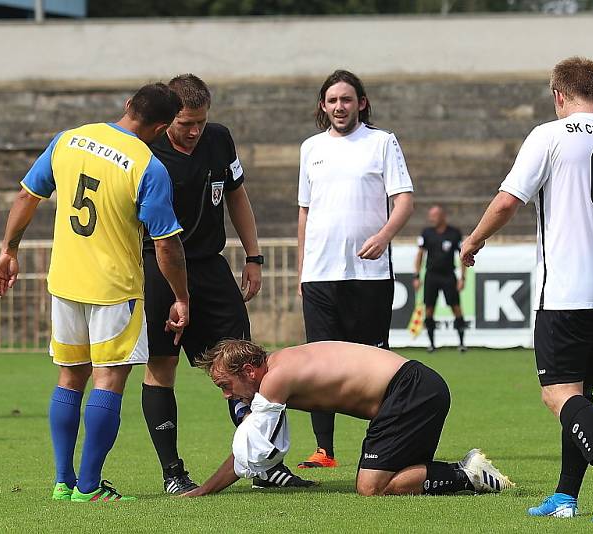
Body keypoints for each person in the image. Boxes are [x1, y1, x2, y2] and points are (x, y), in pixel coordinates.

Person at [460, 57, 593, 522]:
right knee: (579, 394)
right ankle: (565, 496)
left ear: (558, 94)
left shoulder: (550, 135)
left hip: (567, 286)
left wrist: (474, 239)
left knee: (557, 394)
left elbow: (508, 201)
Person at [0, 83, 189, 502]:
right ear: (160, 126)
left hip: (65, 282)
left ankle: (63, 481)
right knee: (109, 381)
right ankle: (89, 485)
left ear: (126, 106)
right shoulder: (147, 165)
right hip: (114, 289)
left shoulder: (69, 139)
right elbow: (166, 244)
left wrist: (8, 249)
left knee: (69, 377)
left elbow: (28, 194)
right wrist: (181, 295)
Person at [141, 74, 311, 493]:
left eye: (201, 122)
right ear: (167, 120)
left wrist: (253, 256)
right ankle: (173, 474)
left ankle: (266, 464)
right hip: (158, 266)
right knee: (161, 366)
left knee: (246, 363)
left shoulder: (220, 139)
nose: (195, 131)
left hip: (210, 267)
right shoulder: (146, 151)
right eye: (186, 123)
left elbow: (236, 194)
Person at [181, 339, 513, 497]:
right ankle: (464, 473)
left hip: (409, 391)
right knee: (395, 479)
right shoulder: (278, 368)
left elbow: (250, 451)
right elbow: (256, 448)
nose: (227, 395)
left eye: (226, 385)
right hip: (417, 388)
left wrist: (204, 490)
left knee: (372, 487)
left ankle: (466, 474)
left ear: (250, 370)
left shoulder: (275, 379)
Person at [296, 69, 414, 468]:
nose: (339, 107)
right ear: (322, 106)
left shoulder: (382, 142)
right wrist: (301, 270)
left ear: (361, 102)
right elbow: (305, 213)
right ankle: (324, 449)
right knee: (317, 363)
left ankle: (381, 447)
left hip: (370, 276)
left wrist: (383, 236)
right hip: (320, 275)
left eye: (346, 99)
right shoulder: (310, 147)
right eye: (332, 101)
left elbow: (403, 201)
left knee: (375, 363)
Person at [413, 205, 467, 353]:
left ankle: (462, 343)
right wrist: (417, 275)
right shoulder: (427, 233)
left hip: (449, 276)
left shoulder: (454, 233)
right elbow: (420, 254)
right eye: (430, 216)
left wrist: (462, 278)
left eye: (434, 215)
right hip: (431, 276)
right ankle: (431, 344)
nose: (431, 219)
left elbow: (462, 256)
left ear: (442, 216)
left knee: (456, 307)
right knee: (429, 308)